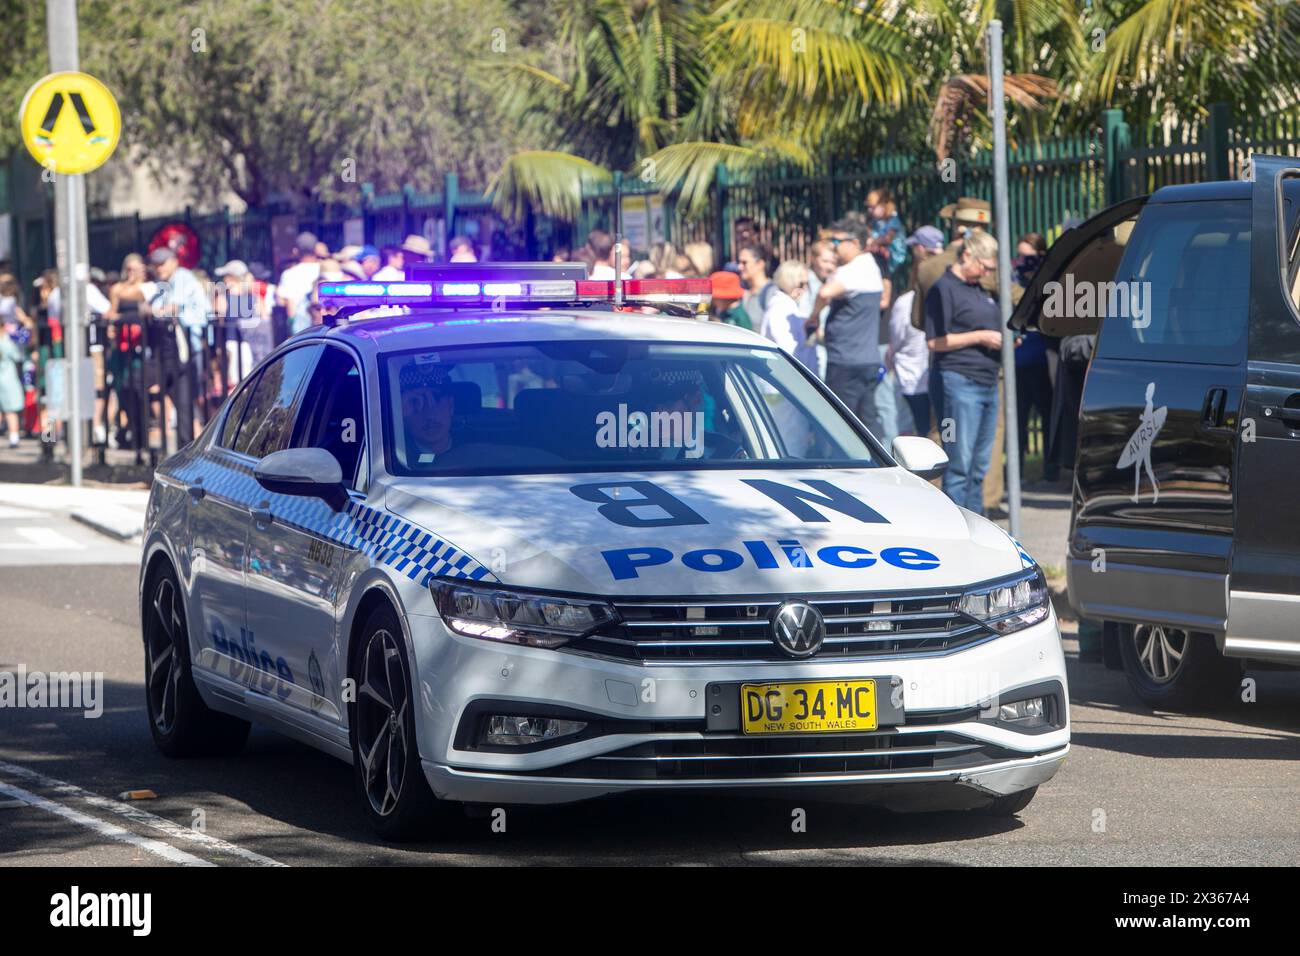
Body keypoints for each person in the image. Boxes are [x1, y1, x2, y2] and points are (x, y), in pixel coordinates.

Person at [924, 231, 1003, 513]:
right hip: (959, 380)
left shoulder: (980, 288)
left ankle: (976, 525)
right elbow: (934, 341)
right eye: (983, 266)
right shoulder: (943, 288)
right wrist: (981, 336)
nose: (986, 273)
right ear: (967, 255)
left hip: (988, 380)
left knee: (980, 465)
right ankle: (958, 524)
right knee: (959, 464)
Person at [808, 217, 885, 433]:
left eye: (836, 241)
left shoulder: (855, 269)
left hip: (847, 362)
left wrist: (814, 316)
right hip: (863, 359)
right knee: (865, 422)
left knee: (839, 427)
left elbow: (825, 293)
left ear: (854, 244)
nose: (833, 246)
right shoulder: (868, 266)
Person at [147, 246, 208, 447]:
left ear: (174, 261)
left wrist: (155, 310)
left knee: (189, 399)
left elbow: (172, 306)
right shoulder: (164, 283)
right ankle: (189, 447)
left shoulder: (183, 278)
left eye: (162, 263)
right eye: (155, 264)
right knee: (182, 400)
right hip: (171, 350)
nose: (158, 267)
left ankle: (194, 446)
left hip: (186, 348)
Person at [889, 226, 943, 435]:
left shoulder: (906, 302)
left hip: (915, 378)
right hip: (937, 375)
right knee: (946, 430)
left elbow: (897, 339)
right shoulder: (951, 291)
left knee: (925, 432)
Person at [1012, 232, 1056, 481]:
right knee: (1018, 419)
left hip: (1040, 358)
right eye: (1019, 256)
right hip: (1017, 360)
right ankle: (1016, 472)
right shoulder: (1011, 282)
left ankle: (1050, 468)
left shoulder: (1049, 281)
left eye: (1029, 257)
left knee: (1047, 416)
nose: (1023, 262)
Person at [762, 261, 817, 374]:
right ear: (789, 282)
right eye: (801, 284)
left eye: (807, 284)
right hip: (785, 379)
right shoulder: (779, 309)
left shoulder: (790, 306)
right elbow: (788, 350)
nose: (805, 289)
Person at [399, 362, 456, 465]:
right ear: (401, 411)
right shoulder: (389, 457)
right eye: (415, 402)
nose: (430, 415)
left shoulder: (480, 451)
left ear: (451, 405)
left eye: (437, 398)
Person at [276, 232, 321, 334]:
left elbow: (282, 302)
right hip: (324, 328)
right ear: (316, 249)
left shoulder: (288, 274)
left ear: (295, 251)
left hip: (301, 332)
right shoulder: (322, 269)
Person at [737, 242, 774, 329]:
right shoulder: (742, 290)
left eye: (744, 263)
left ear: (760, 264)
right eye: (739, 262)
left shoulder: (771, 292)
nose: (739, 267)